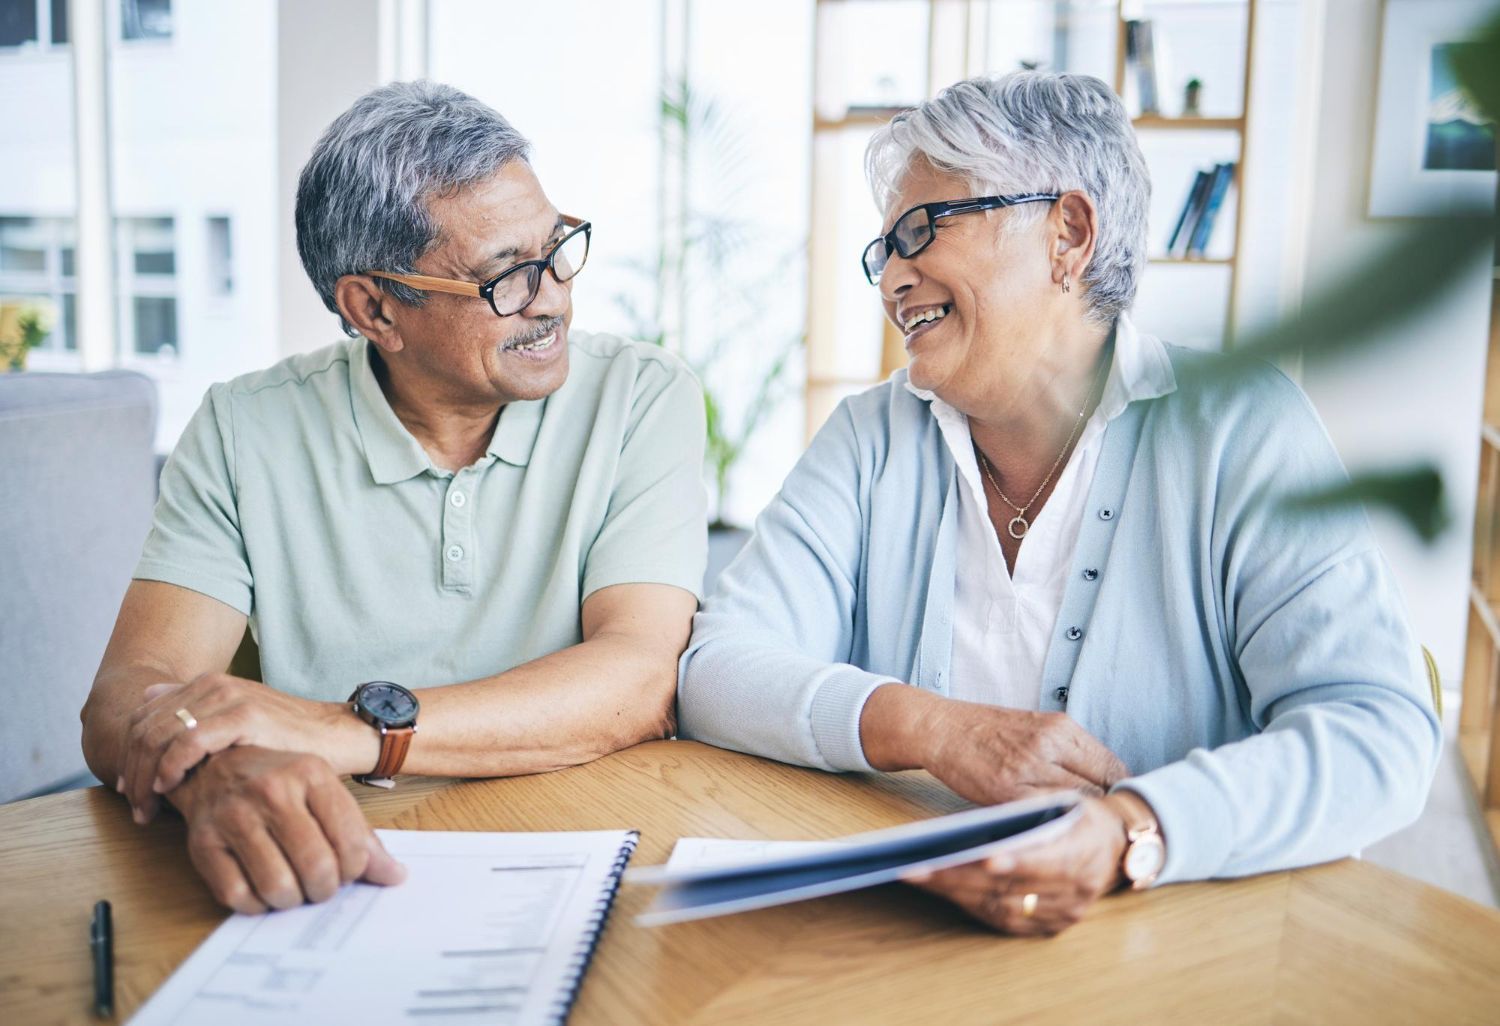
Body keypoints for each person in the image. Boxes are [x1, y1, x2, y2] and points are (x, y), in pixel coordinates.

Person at [677, 71, 1439, 935]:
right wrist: (933, 728)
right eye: (882, 249)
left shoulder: (1241, 426)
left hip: (1178, 952)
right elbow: (716, 669)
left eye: (921, 230)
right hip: (905, 938)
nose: (891, 278)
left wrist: (1131, 831)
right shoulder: (871, 435)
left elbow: (1379, 733)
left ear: (1068, 234)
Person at [81, 82, 707, 914]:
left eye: (556, 247)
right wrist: (214, 768)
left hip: (589, 844)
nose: (552, 294)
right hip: (339, 868)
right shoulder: (245, 426)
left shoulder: (640, 396)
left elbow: (638, 679)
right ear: (373, 307)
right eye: (505, 277)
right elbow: (125, 696)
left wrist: (343, 732)